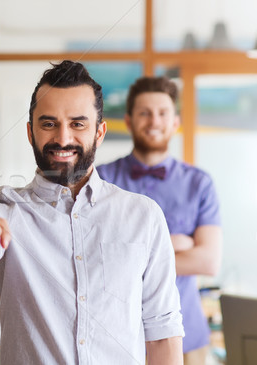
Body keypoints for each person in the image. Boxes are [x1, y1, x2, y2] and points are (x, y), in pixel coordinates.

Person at [0, 60, 185, 364]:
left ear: (99, 132)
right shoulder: (5, 209)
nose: (62, 138)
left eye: (77, 124)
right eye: (48, 124)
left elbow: (162, 330)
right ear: (30, 132)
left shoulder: (143, 215)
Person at [97, 76, 222, 365]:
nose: (154, 121)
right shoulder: (101, 179)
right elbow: (97, 257)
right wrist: (175, 245)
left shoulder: (199, 183)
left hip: (188, 337)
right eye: (144, 113)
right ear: (128, 121)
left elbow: (208, 261)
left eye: (163, 113)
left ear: (175, 121)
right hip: (117, 336)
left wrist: (133, 252)